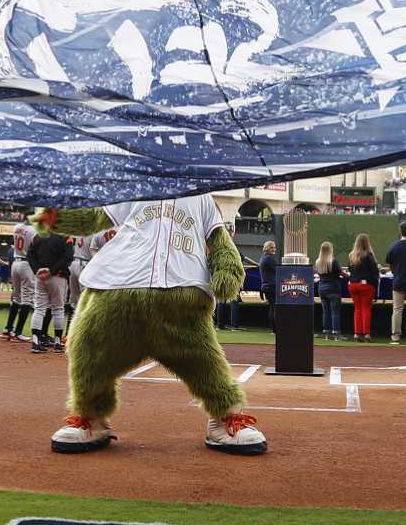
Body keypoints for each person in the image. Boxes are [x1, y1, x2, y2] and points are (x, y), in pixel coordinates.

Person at [35, 195, 257, 455]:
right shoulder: (138, 185)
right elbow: (96, 216)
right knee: (89, 347)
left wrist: (227, 269)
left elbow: (218, 237)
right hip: (120, 286)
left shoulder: (202, 195)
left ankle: (225, 418)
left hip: (181, 298)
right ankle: (91, 417)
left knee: (205, 362)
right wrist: (58, 217)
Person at [346, 233, 379, 341]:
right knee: (366, 308)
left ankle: (357, 333)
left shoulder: (351, 255)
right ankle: (366, 334)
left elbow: (350, 270)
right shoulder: (369, 255)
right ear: (367, 243)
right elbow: (374, 272)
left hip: (353, 285)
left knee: (357, 309)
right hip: (365, 286)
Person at [315, 242, 345, 338]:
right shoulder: (333, 261)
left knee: (326, 311)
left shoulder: (318, 262)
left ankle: (326, 331)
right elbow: (340, 273)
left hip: (322, 289)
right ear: (330, 250)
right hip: (333, 288)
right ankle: (336, 332)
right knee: (335, 311)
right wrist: (349, 275)